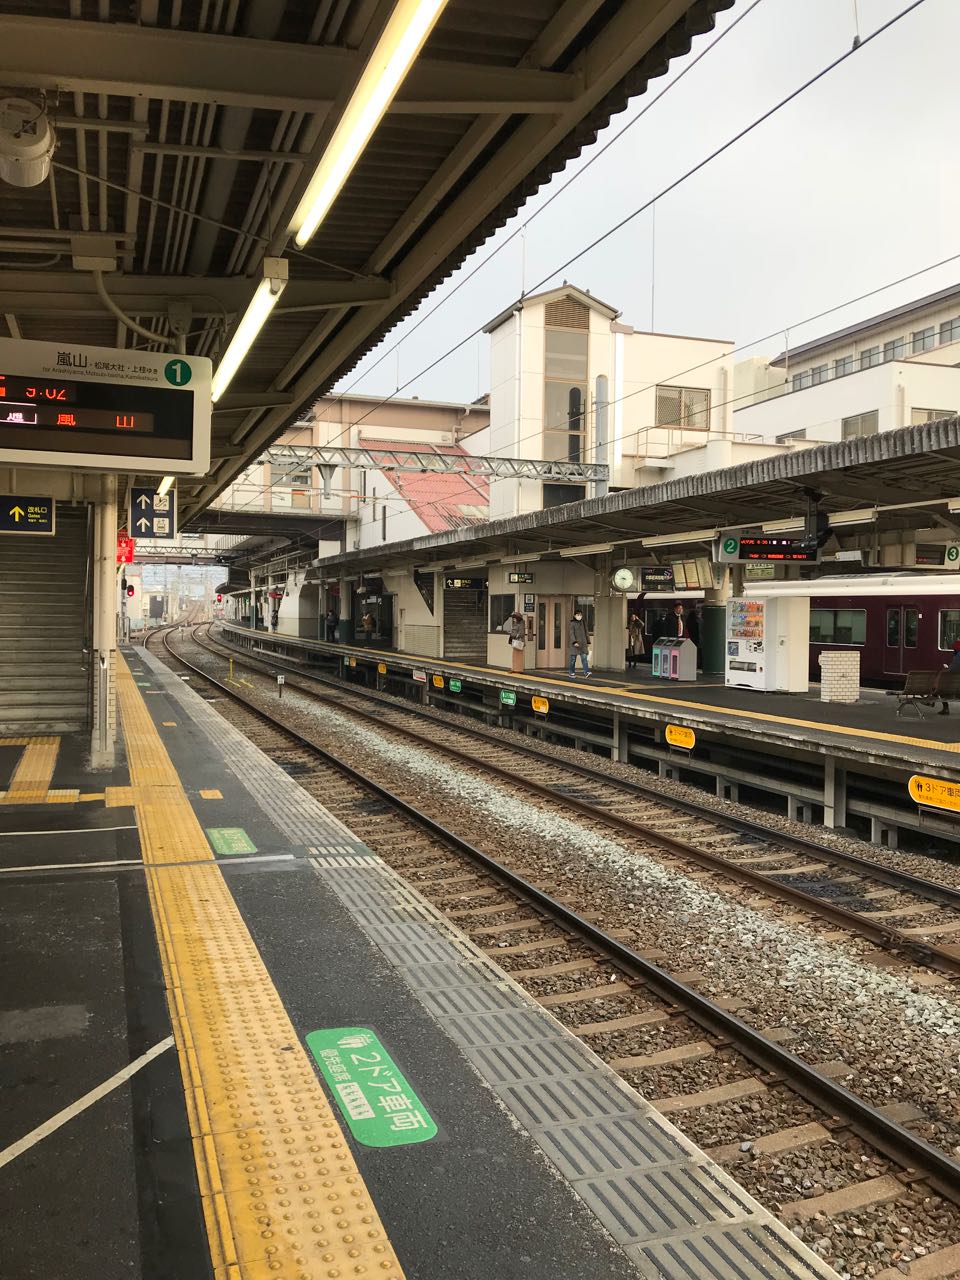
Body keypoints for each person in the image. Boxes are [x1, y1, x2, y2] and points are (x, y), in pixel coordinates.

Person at [938, 639, 960, 714]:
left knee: (940, 687)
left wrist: (946, 669)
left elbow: (952, 670)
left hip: (956, 689)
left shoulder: (958, 657)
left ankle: (945, 708)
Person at [568, 608, 590, 678]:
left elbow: (586, 632)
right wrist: (574, 642)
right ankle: (571, 672)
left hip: (583, 644)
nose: (579, 616)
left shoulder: (583, 622)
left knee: (584, 658)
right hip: (575, 644)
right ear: (574, 615)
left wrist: (588, 641)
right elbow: (571, 633)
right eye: (578, 615)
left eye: (580, 615)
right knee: (573, 659)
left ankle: (586, 672)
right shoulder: (572, 623)